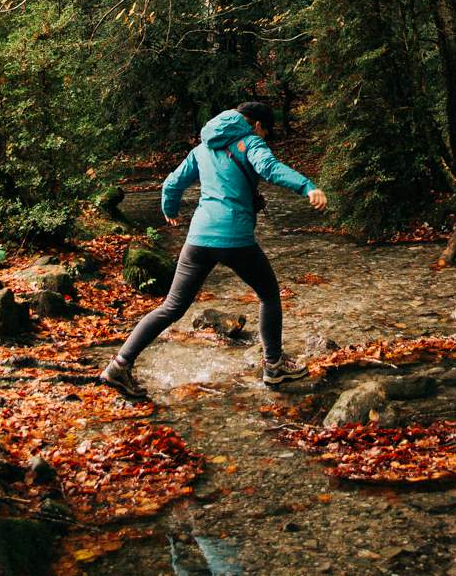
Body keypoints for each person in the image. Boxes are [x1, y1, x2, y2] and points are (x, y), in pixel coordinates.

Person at [100, 102, 328, 399]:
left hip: (198, 239)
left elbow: (171, 184)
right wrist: (307, 186)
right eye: (266, 132)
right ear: (257, 125)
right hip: (235, 240)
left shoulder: (202, 148)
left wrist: (170, 210)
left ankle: (119, 364)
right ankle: (273, 366)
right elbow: (270, 169)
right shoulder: (250, 142)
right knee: (269, 295)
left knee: (171, 307)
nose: (265, 136)